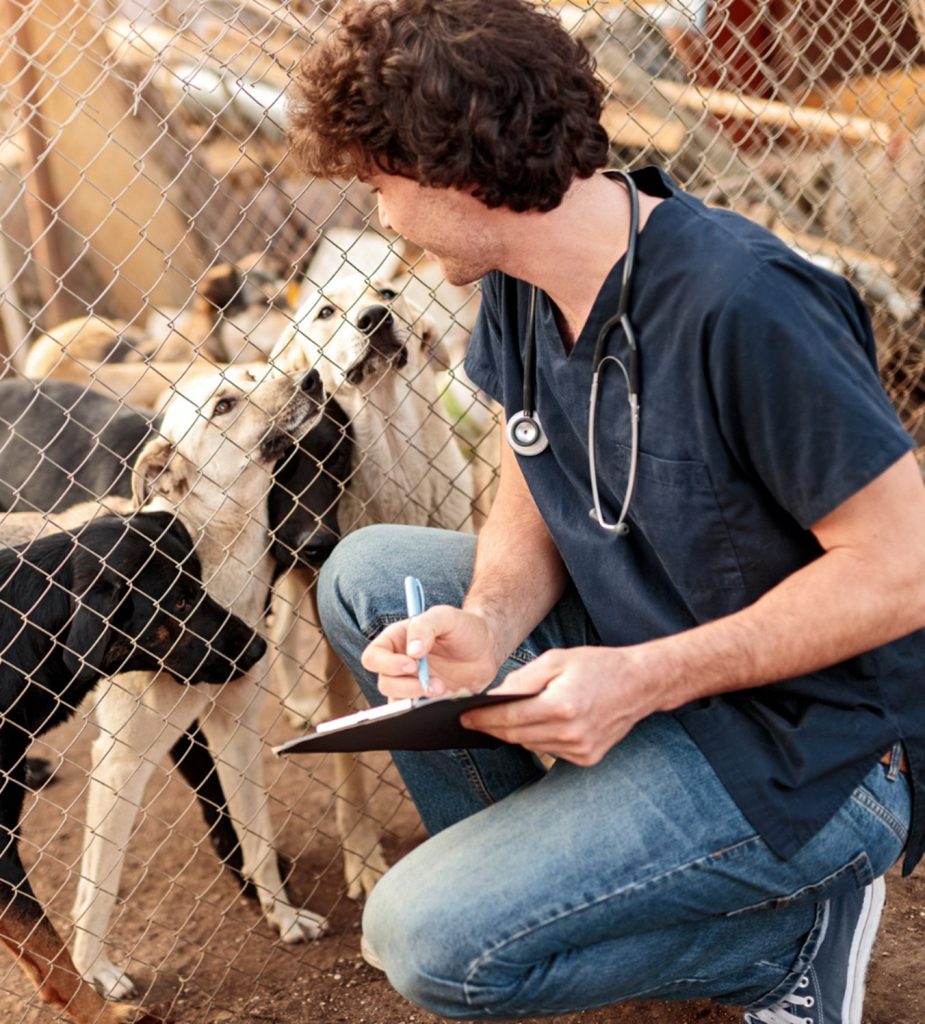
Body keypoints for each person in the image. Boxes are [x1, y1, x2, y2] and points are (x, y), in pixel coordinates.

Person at [288, 1, 925, 1021]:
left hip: (816, 747)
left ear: (457, 174)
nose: (383, 217)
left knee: (429, 942)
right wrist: (489, 617)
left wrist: (638, 677)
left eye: (380, 185)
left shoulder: (744, 303)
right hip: (653, 656)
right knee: (368, 577)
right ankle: (583, 876)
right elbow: (531, 459)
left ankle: (786, 943)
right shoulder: (523, 276)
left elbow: (903, 570)